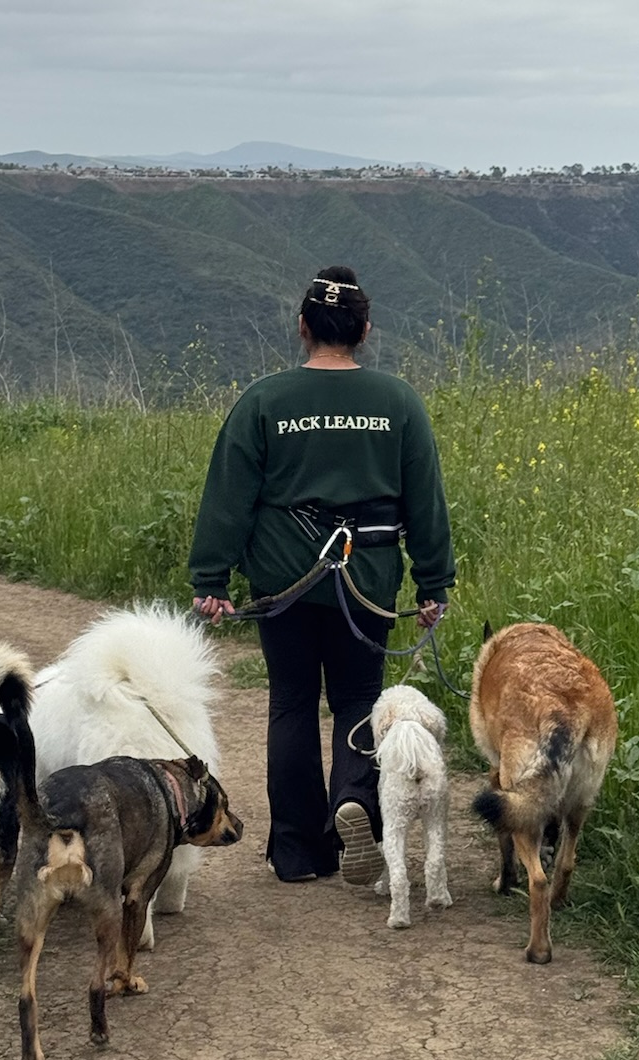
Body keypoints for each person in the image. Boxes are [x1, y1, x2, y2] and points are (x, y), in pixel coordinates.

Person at [188, 265, 456, 884]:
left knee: (291, 703)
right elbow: (426, 502)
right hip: (369, 577)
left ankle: (297, 851)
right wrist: (433, 584)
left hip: (285, 581)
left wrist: (211, 581)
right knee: (358, 700)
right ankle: (355, 802)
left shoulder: (264, 401)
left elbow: (229, 496)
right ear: (364, 329)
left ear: (304, 327)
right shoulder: (398, 402)